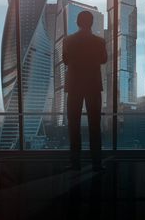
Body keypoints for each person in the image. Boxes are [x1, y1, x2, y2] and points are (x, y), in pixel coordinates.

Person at [62, 11, 107, 171]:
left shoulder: (68, 40)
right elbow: (103, 59)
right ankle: (96, 163)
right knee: (95, 125)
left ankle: (75, 163)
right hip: (93, 86)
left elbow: (65, 60)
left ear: (78, 23)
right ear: (91, 23)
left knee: (73, 125)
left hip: (74, 86)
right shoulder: (100, 42)